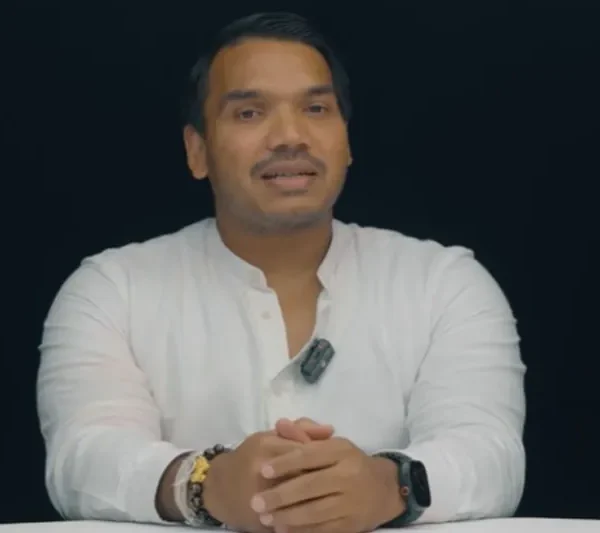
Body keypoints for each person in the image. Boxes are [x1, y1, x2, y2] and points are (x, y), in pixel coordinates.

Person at [37, 11, 526, 533]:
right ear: (197, 150)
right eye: (249, 113)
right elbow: (82, 458)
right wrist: (206, 484)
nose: (291, 136)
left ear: (347, 141)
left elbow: (490, 453)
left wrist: (390, 485)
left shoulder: (444, 284)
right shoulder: (112, 290)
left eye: (316, 108)